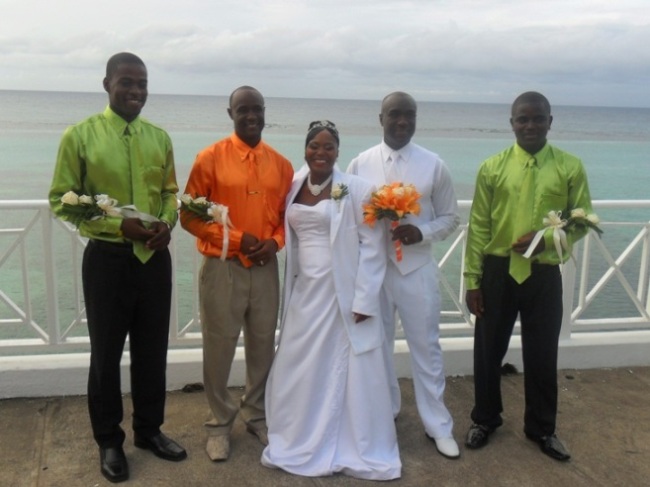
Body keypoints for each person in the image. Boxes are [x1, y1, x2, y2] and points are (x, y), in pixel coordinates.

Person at [48, 52, 186, 483]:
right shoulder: (80, 136)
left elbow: (168, 192)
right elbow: (61, 201)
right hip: (107, 261)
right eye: (127, 82)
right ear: (106, 83)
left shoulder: (159, 137)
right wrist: (116, 225)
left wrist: (167, 222)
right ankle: (109, 440)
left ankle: (149, 430)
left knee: (151, 350)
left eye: (142, 83)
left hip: (153, 260)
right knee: (106, 354)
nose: (136, 91)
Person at [261, 121, 401, 480]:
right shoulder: (293, 185)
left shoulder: (356, 189)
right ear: (305, 148)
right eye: (314, 146)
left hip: (343, 292)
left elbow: (373, 247)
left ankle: (348, 440)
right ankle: (298, 432)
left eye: (328, 147)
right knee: (298, 361)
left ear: (338, 152)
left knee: (346, 367)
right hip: (304, 291)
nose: (320, 153)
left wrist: (365, 298)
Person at [463, 91, 594, 461]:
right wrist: (473, 281)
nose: (530, 125)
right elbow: (478, 227)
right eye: (523, 119)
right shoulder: (492, 167)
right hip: (497, 271)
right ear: (512, 124)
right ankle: (485, 419)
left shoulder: (570, 166)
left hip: (543, 273)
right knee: (488, 351)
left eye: (538, 119)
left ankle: (542, 429)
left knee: (542, 352)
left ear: (550, 122)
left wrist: (547, 244)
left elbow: (582, 220)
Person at [180, 86, 293, 462]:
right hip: (222, 266)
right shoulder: (209, 158)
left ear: (264, 111)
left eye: (256, 109)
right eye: (242, 109)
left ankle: (256, 415)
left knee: (263, 343)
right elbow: (189, 216)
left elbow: (284, 220)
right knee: (219, 345)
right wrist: (236, 239)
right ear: (230, 112)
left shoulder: (282, 164)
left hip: (264, 268)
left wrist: (274, 243)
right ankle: (218, 423)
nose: (251, 116)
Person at [347, 92, 461, 459]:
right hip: (376, 272)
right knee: (375, 346)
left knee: (426, 347)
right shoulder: (359, 164)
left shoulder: (434, 165)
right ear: (380, 118)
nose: (402, 122)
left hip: (416, 270)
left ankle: (438, 424)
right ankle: (385, 413)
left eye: (409, 115)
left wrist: (421, 232)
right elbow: (349, 219)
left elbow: (450, 218)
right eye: (394, 115)